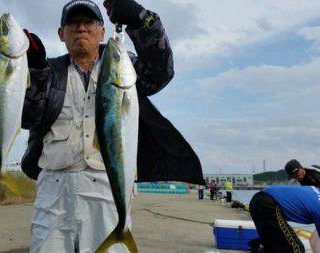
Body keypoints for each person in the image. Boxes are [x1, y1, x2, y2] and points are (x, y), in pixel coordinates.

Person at [20, 0, 204, 252]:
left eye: (89, 23)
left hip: (107, 187)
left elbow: (161, 72)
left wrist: (142, 20)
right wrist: (35, 69)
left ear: (102, 31)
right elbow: (29, 117)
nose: (81, 29)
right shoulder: (48, 71)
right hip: (53, 190)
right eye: (73, 23)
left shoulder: (121, 63)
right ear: (61, 34)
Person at [249, 186, 320, 253]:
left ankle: (260, 245)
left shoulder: (317, 191)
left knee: (273, 246)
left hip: (259, 199)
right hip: (268, 204)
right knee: (296, 249)